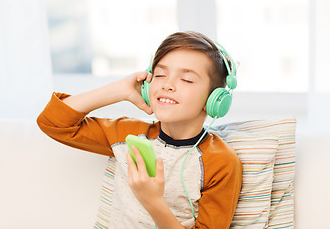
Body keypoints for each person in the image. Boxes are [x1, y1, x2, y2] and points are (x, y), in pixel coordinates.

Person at [37, 31, 243, 229]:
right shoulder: (126, 134)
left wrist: (153, 202)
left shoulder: (221, 162)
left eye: (186, 79)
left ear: (214, 100)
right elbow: (52, 122)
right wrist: (120, 90)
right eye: (160, 74)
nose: (168, 85)